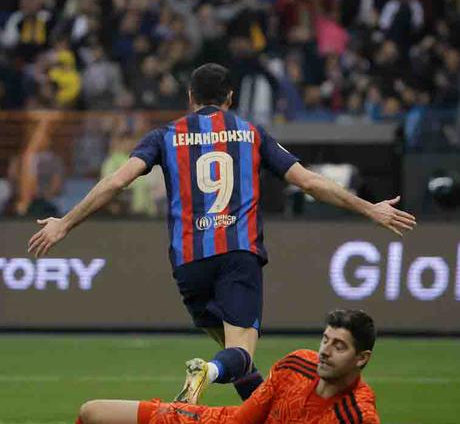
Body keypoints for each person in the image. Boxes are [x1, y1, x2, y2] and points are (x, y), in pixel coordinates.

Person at [29, 63, 415, 403]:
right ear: (230, 97)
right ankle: (207, 373)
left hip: (189, 263)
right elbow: (310, 183)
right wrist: (369, 208)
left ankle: (270, 417)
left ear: (190, 97)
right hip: (236, 255)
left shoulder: (164, 136)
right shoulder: (251, 134)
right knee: (236, 356)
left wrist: (64, 222)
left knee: (236, 359)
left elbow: (115, 183)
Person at [76, 309, 380, 424]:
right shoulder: (298, 363)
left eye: (339, 346)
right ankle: (205, 379)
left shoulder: (357, 416)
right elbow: (245, 417)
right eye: (325, 341)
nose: (325, 352)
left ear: (361, 358)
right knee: (93, 413)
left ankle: (208, 376)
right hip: (224, 422)